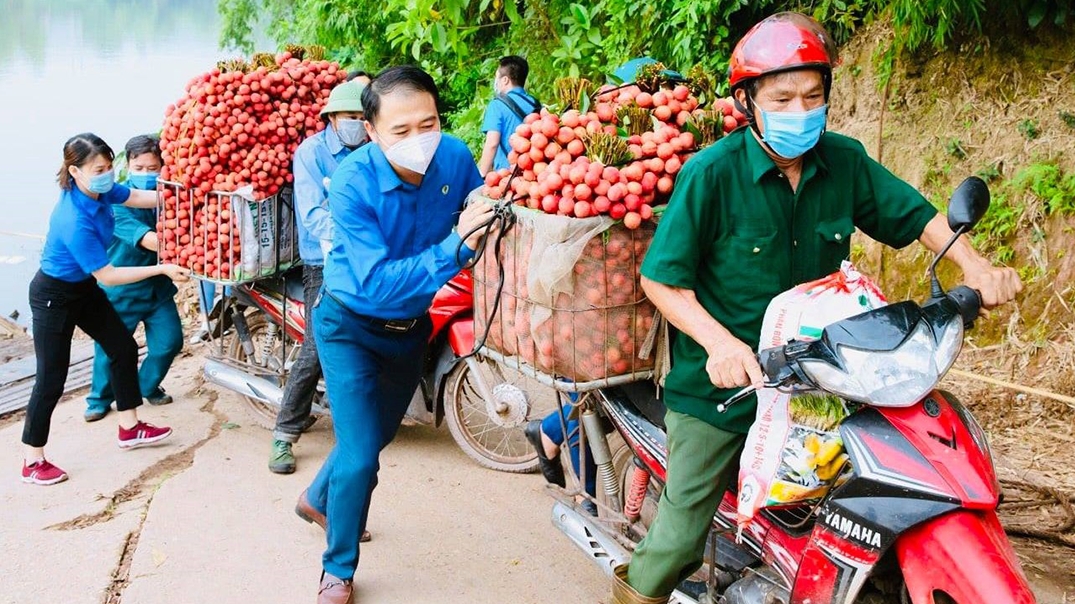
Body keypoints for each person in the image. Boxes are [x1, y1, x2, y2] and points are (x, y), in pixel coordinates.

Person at [610, 13, 1024, 604]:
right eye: (781, 97)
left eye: (812, 96)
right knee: (678, 540)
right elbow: (661, 280)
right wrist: (721, 345)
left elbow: (915, 216)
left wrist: (975, 266)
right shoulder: (711, 174)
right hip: (726, 391)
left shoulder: (844, 161)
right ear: (748, 101)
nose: (799, 110)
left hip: (824, 379)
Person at [296, 66, 493, 604]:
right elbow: (376, 281)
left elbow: (479, 208)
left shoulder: (452, 155)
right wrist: (455, 246)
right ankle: (337, 570)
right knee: (361, 455)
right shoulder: (354, 185)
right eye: (401, 131)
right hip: (350, 326)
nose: (418, 140)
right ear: (371, 129)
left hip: (411, 329)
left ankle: (316, 496)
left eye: (427, 123)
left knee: (376, 434)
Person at [22, 133, 190, 486]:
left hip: (83, 287)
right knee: (51, 379)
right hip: (54, 296)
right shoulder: (73, 218)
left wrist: (188, 190)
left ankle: (129, 427)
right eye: (99, 169)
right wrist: (161, 267)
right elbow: (110, 276)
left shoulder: (102, 190)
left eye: (110, 166)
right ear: (75, 171)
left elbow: (141, 196)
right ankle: (32, 460)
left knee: (122, 347)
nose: (107, 173)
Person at [269, 80, 368, 476]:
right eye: (351, 118)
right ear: (331, 119)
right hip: (322, 260)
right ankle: (283, 434)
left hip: (365, 256)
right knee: (318, 343)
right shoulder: (311, 153)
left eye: (364, 117)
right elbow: (311, 214)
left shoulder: (372, 149)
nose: (358, 124)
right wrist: (358, 236)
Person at [83, 135, 184, 422]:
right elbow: (150, 241)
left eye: (153, 168)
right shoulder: (115, 203)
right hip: (121, 290)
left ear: (163, 167)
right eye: (139, 168)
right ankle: (99, 399)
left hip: (157, 289)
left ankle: (145, 386)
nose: (146, 174)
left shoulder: (168, 197)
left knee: (170, 342)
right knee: (110, 349)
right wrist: (191, 245)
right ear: (128, 166)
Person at [477, 55, 540, 176]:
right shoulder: (535, 103)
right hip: (534, 174)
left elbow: (492, 143)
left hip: (507, 176)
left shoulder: (497, 105)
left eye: (497, 78)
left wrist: (482, 175)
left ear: (505, 80)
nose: (496, 82)